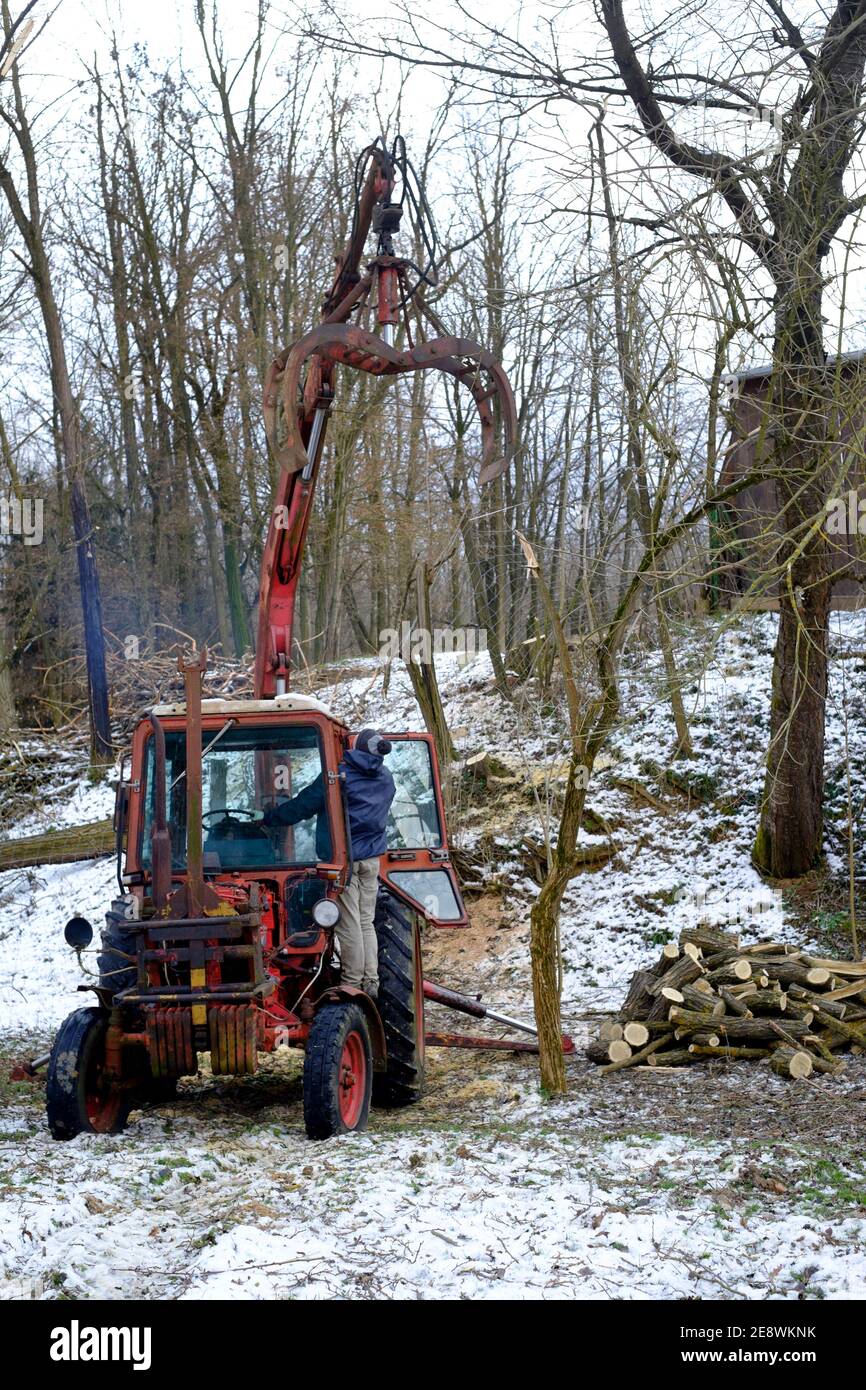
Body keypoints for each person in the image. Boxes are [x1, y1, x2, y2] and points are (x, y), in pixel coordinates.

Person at [263, 728, 396, 999]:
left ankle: (351, 983)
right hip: (371, 859)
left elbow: (302, 806)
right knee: (366, 922)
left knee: (348, 924)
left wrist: (268, 818)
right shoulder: (385, 778)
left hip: (344, 862)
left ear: (355, 747)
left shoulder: (340, 777)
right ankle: (371, 981)